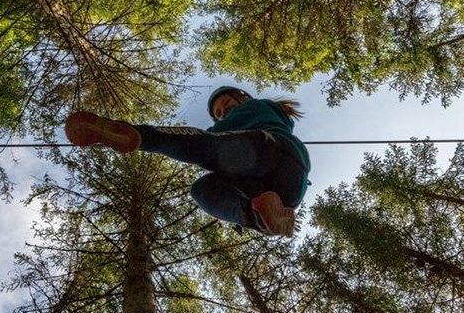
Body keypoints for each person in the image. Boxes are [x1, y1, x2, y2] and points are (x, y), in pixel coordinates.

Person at [64, 86, 311, 237]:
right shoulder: (255, 116)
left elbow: (209, 143)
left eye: (225, 106)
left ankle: (140, 135)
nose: (224, 113)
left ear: (242, 98)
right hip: (283, 193)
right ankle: (260, 216)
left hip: (273, 151)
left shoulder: (257, 107)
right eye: (219, 113)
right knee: (203, 189)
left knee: (208, 147)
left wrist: (203, 139)